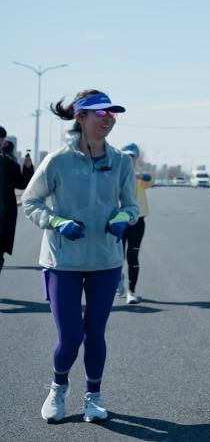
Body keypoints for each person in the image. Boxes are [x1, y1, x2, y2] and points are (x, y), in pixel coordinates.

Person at [21, 90, 138, 424]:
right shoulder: (57, 160)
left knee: (95, 334)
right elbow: (31, 201)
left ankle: (94, 396)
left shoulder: (121, 161)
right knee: (71, 337)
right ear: (81, 117)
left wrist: (122, 218)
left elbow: (131, 206)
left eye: (112, 113)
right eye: (100, 113)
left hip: (105, 261)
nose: (108, 118)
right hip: (63, 262)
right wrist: (57, 222)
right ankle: (58, 387)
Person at [117, 143, 153, 304]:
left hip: (137, 222)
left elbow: (150, 179)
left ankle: (131, 291)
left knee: (132, 256)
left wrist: (136, 174)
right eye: (126, 155)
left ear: (136, 158)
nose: (129, 158)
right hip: (118, 221)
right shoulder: (115, 173)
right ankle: (118, 279)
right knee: (117, 257)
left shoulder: (140, 175)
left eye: (132, 156)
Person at [1, 129, 35, 275]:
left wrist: (27, 169)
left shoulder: (9, 165)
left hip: (3, 216)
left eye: (1, 138)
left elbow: (22, 184)